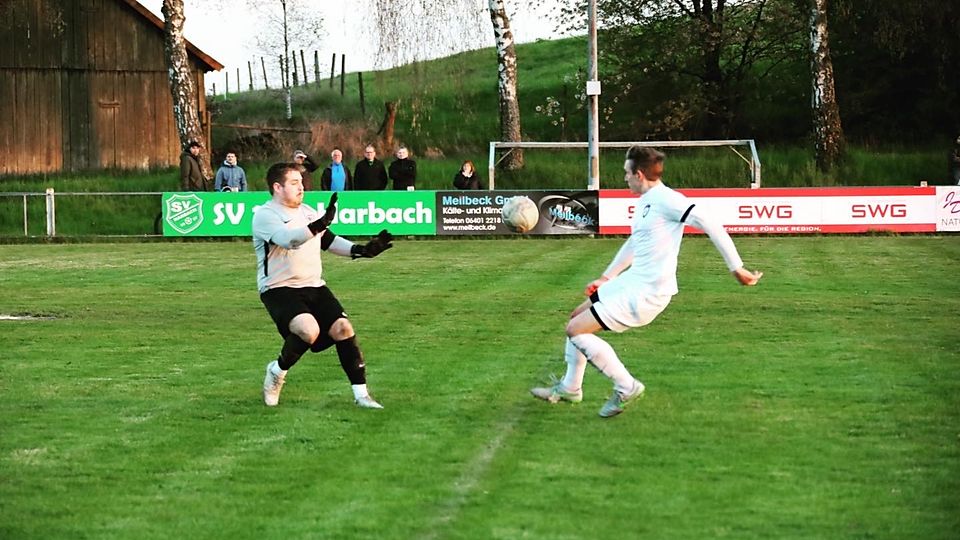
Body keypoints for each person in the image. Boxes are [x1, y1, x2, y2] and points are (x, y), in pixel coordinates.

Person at [530, 146, 763, 418]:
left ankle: (626, 386)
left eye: (627, 173)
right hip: (632, 282)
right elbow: (636, 242)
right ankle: (571, 387)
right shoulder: (646, 201)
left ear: (639, 174)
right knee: (577, 316)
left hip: (648, 292)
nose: (624, 178)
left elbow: (708, 221)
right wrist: (607, 277)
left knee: (576, 330)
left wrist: (736, 267)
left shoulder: (667, 199)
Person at [253, 162, 395, 409]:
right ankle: (276, 372)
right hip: (279, 288)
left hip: (314, 285)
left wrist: (361, 250)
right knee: (308, 330)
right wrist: (320, 223)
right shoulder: (265, 215)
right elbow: (289, 240)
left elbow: (327, 241)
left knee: (343, 328)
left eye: (301, 182)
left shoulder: (307, 212)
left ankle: (362, 396)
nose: (301, 187)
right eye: (294, 183)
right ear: (277, 187)